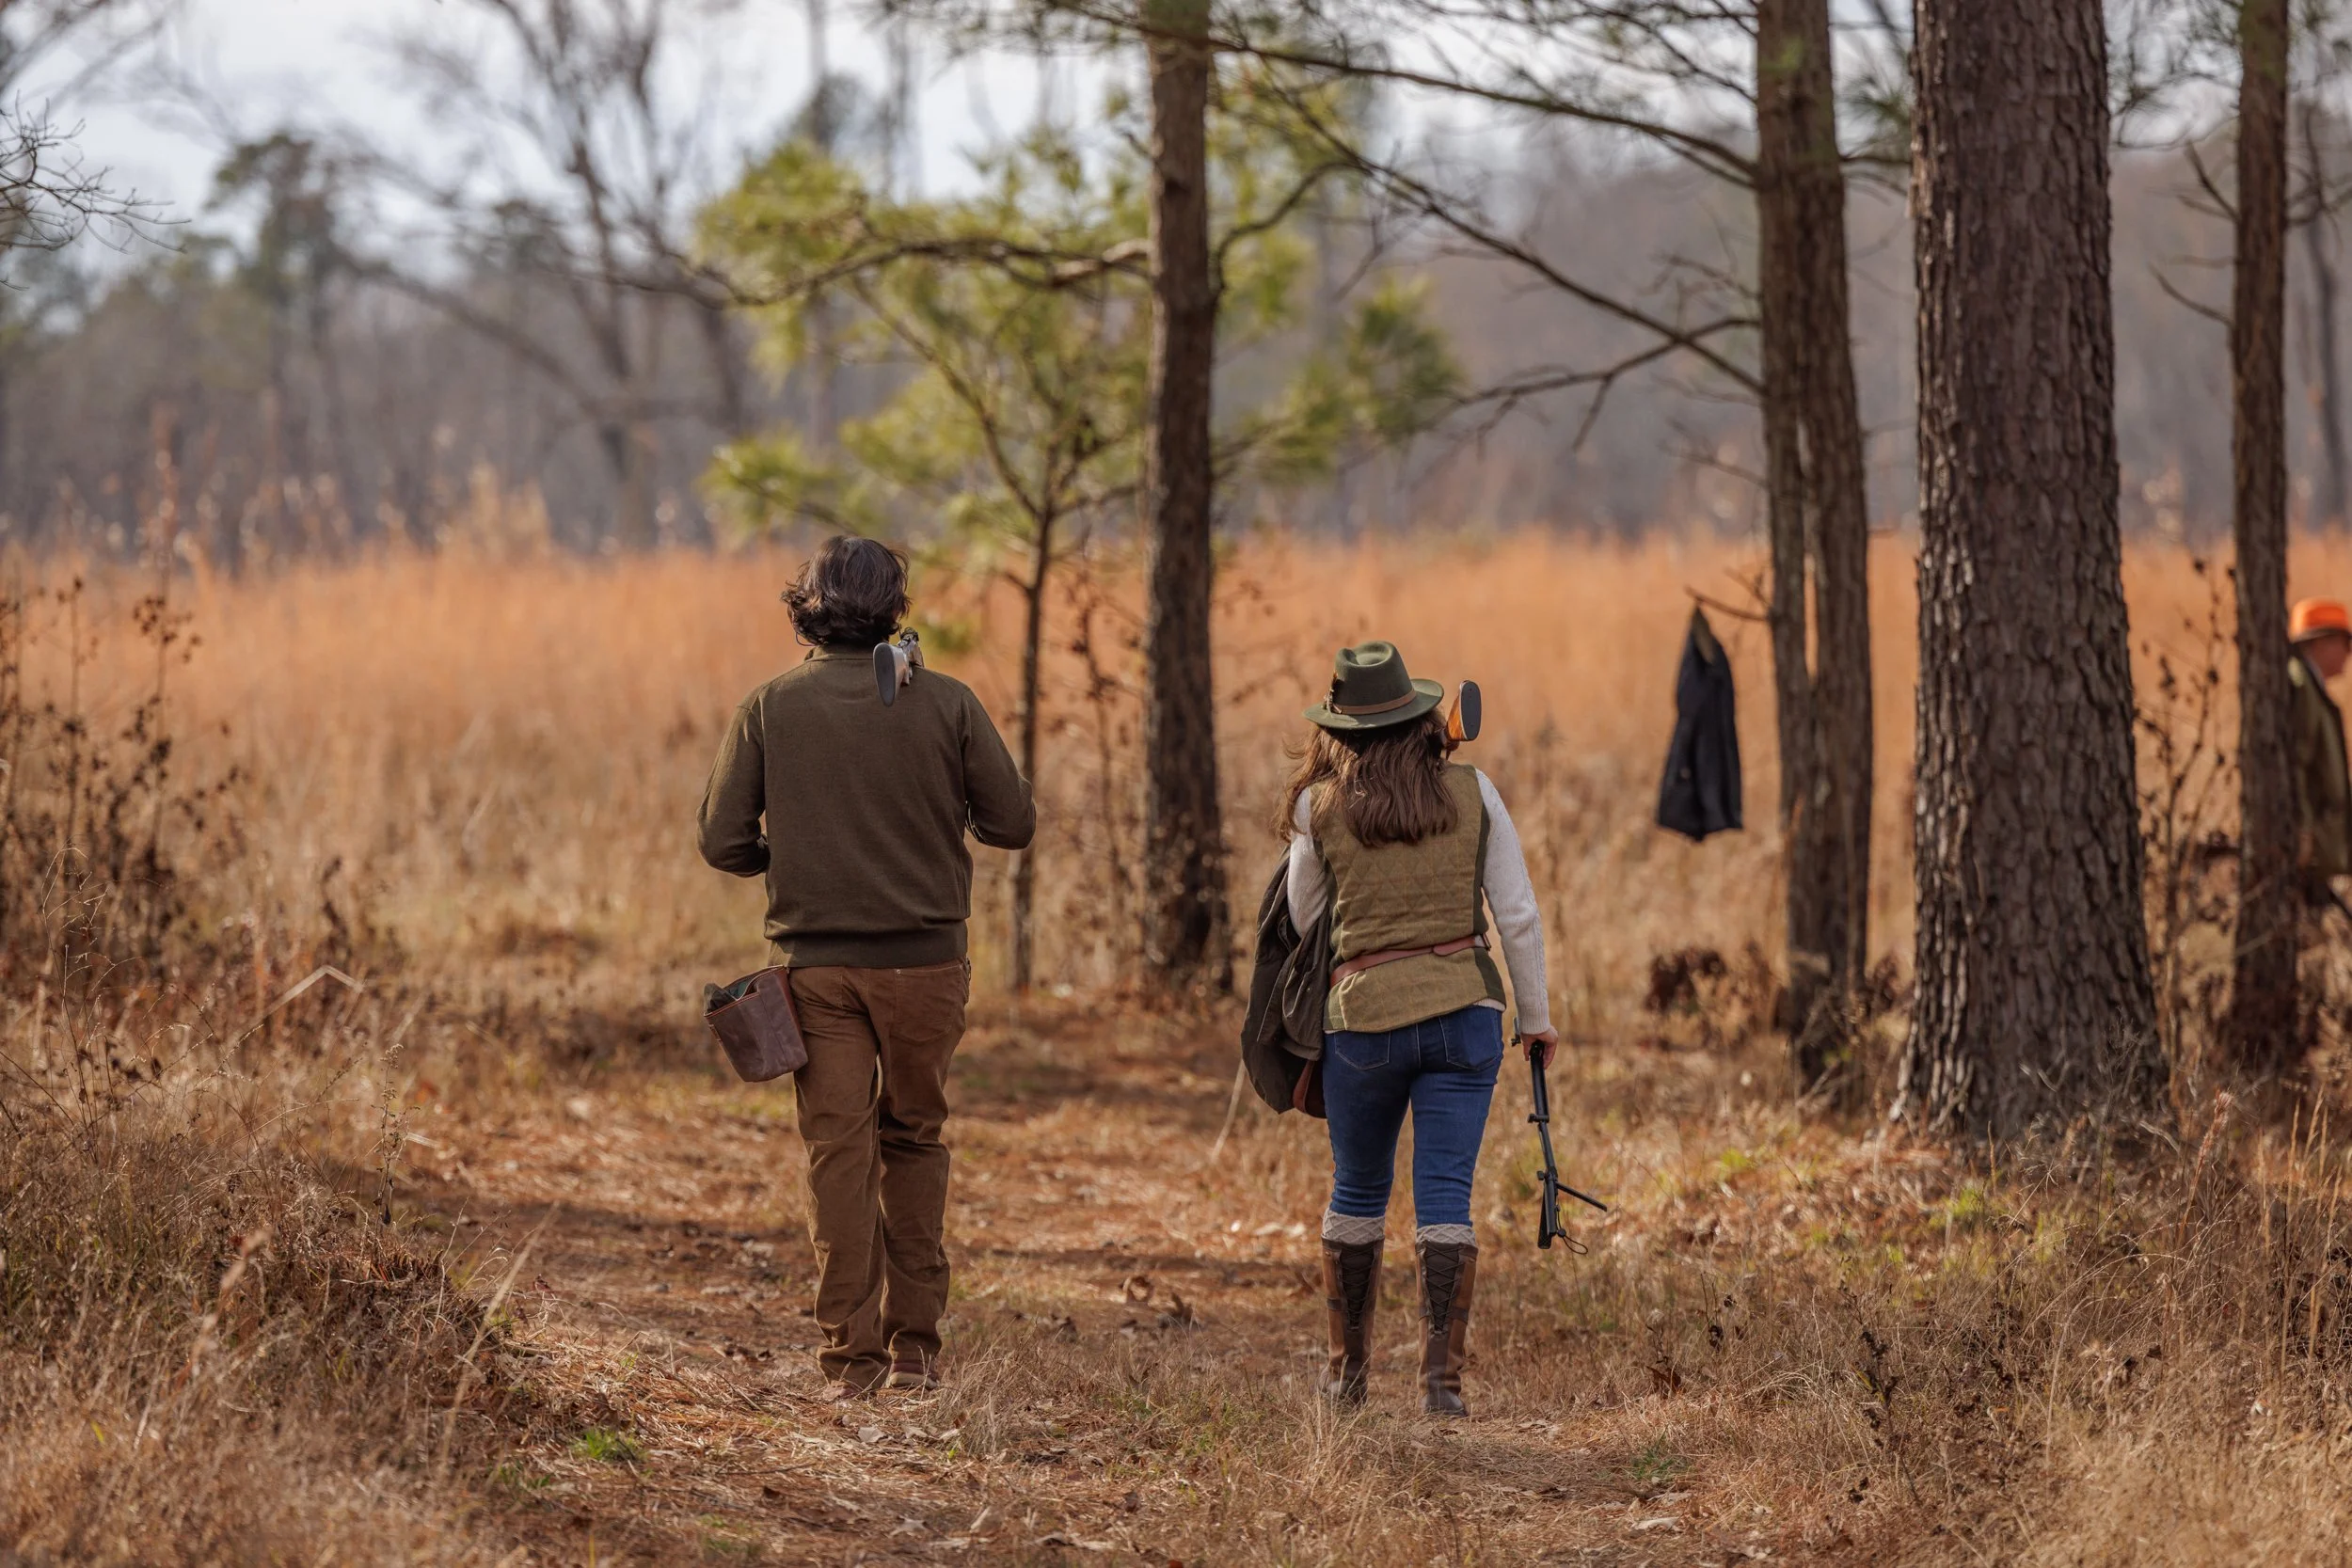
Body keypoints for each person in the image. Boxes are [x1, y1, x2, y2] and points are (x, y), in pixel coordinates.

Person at [697, 536, 1034, 1399]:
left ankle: (851, 1363)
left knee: (836, 1155)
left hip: (816, 975)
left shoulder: (769, 706)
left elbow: (722, 841)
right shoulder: (948, 702)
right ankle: (917, 1351)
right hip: (927, 968)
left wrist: (796, 852)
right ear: (896, 608)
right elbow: (1013, 823)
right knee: (914, 1139)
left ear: (805, 608)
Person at [1283, 641, 1557, 1418]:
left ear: (1341, 727)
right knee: (1445, 1197)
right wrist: (1535, 1020)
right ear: (1416, 714)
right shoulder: (1475, 791)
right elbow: (1518, 918)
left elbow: (1304, 918)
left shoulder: (1318, 808)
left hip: (1363, 1023)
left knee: (1358, 1191)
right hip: (1464, 1018)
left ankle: (1347, 1379)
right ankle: (1441, 1390)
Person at [2290, 597, 2352, 898]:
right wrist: (2303, 833)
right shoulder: (2302, 687)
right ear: (2322, 642)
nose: (2348, 654)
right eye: (2345, 642)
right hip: (2308, 850)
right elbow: (2296, 763)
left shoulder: (2311, 687)